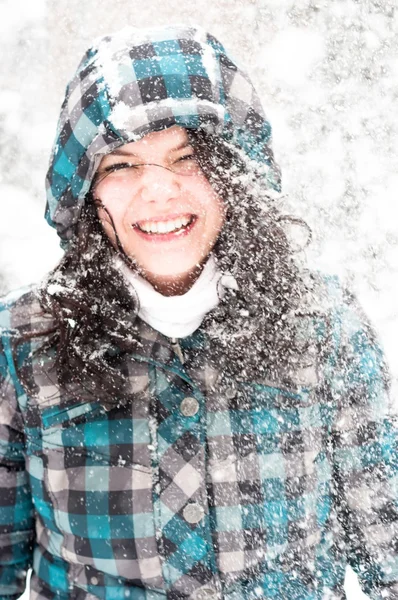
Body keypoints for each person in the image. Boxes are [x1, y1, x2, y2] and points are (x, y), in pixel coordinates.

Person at [0, 24, 397, 600]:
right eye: (121, 166)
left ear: (234, 174)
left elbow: (387, 536)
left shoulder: (322, 324)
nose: (159, 192)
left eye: (187, 158)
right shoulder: (22, 344)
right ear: (86, 193)